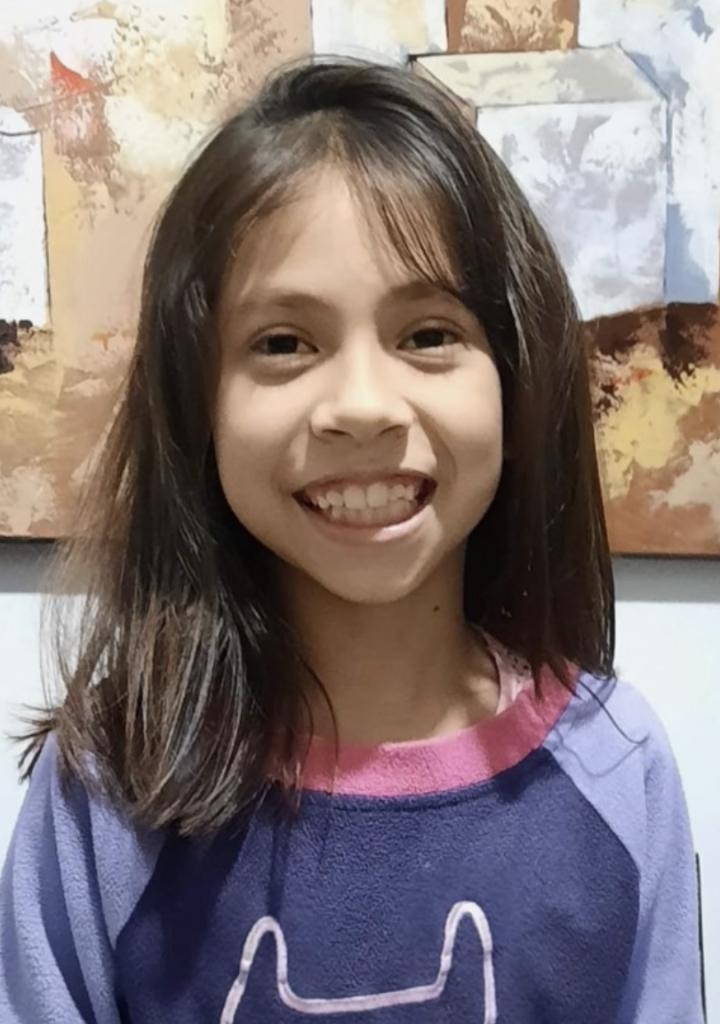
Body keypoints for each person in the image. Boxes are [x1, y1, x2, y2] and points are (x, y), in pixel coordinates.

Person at [0, 57, 703, 1024]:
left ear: (516, 376)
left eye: (428, 334)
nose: (363, 405)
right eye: (283, 343)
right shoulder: (114, 783)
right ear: (197, 405)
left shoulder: (617, 769)